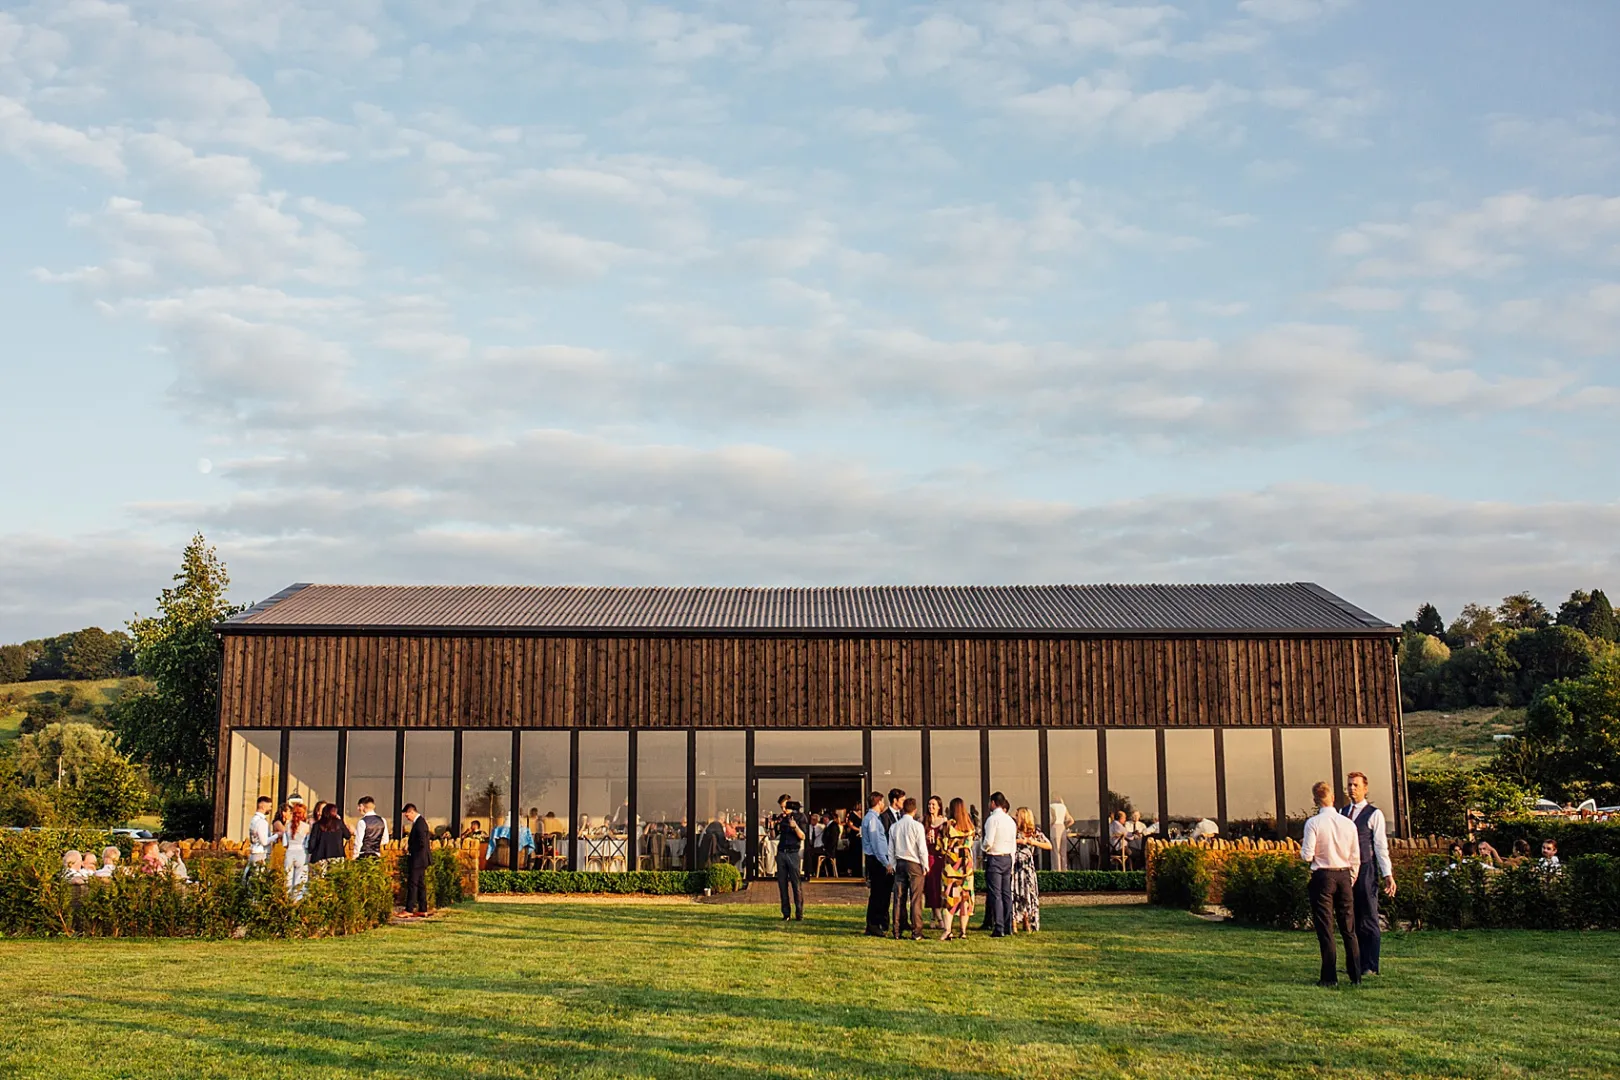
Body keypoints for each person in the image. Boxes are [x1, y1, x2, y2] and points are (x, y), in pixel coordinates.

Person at [1300, 780, 1361, 988]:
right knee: (1348, 927)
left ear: (1315, 800)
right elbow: (1355, 856)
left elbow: (1307, 856)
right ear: (1333, 798)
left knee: (1326, 928)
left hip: (1323, 875)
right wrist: (1350, 878)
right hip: (1344, 874)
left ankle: (1329, 976)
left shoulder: (1313, 823)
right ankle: (1355, 974)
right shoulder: (1348, 824)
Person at [1340, 770, 1396, 978]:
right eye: (1349, 785)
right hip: (1346, 869)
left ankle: (1371, 964)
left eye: (1355, 785)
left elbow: (1380, 846)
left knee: (1369, 917)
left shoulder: (1374, 814)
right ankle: (1355, 963)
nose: (1352, 789)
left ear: (1365, 788)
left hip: (1366, 870)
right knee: (1350, 918)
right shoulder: (1342, 812)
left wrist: (1387, 874)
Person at [888, 797, 929, 940]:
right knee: (916, 898)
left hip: (900, 863)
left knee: (899, 898)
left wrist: (892, 864)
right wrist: (925, 864)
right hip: (914, 863)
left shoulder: (894, 827)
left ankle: (897, 930)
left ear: (902, 809)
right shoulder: (918, 826)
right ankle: (916, 931)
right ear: (915, 810)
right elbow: (922, 848)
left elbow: (890, 849)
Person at [939, 797, 976, 941]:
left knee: (950, 898)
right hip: (966, 866)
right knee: (964, 899)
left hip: (951, 866)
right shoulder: (970, 827)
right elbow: (971, 844)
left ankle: (948, 930)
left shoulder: (948, 826)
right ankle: (963, 931)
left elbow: (941, 847)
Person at [981, 792, 1016, 938]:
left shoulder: (992, 819)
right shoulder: (1010, 820)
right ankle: (1007, 926)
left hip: (995, 857)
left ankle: (999, 927)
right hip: (1007, 857)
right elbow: (1013, 843)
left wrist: (982, 849)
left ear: (994, 803)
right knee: (1006, 893)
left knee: (996, 894)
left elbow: (989, 841)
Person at [1011, 807, 1051, 933]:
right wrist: (1018, 841)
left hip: (1027, 867)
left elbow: (1048, 845)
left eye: (1017, 815)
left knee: (1028, 893)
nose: (1015, 817)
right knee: (1014, 892)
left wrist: (1032, 842)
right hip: (1015, 865)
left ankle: (1026, 920)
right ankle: (1013, 922)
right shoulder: (1013, 830)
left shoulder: (1033, 832)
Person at [860, 791, 893, 936]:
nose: (883, 804)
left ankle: (877, 922)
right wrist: (886, 863)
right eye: (882, 802)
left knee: (879, 893)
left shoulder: (872, 818)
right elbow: (876, 844)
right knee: (877, 894)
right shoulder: (872, 820)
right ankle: (873, 924)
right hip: (877, 859)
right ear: (879, 802)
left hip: (876, 858)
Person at [776, 799, 807, 921]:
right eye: (782, 807)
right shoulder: (784, 818)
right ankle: (786, 913)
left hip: (793, 852)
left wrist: (795, 827)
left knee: (796, 884)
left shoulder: (800, 817)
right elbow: (777, 834)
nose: (784, 809)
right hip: (782, 852)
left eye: (786, 807)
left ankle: (799, 913)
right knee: (782, 885)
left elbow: (803, 836)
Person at [924, 795, 947, 928]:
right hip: (929, 856)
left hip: (940, 856)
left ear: (939, 806)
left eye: (933, 805)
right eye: (929, 805)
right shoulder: (924, 821)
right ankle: (939, 918)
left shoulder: (944, 822)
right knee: (931, 887)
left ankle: (934, 917)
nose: (931, 807)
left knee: (939, 887)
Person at [403, 803, 430, 916]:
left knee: (413, 884)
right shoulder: (420, 822)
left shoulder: (419, 824)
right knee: (420, 884)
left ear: (412, 812)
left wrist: (410, 848)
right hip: (421, 859)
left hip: (418, 859)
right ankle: (423, 909)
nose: (407, 818)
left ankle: (409, 909)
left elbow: (422, 843)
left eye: (407, 815)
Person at [283, 801, 311, 899]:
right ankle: (297, 901)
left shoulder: (287, 826)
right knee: (300, 880)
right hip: (301, 853)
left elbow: (284, 844)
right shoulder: (306, 827)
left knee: (288, 879)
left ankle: (287, 901)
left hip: (289, 852)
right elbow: (307, 844)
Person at [247, 795, 276, 867]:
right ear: (263, 806)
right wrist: (276, 835)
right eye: (269, 806)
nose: (271, 809)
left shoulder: (254, 819)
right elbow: (264, 841)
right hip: (261, 853)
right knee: (259, 875)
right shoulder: (261, 821)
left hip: (254, 851)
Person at [1049, 798, 1074, 871]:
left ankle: (1057, 870)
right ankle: (1064, 869)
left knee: (1056, 850)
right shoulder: (1063, 807)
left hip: (1054, 827)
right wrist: (1064, 827)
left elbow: (1052, 818)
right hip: (1062, 827)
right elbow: (1071, 820)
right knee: (1063, 851)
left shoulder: (1051, 806)